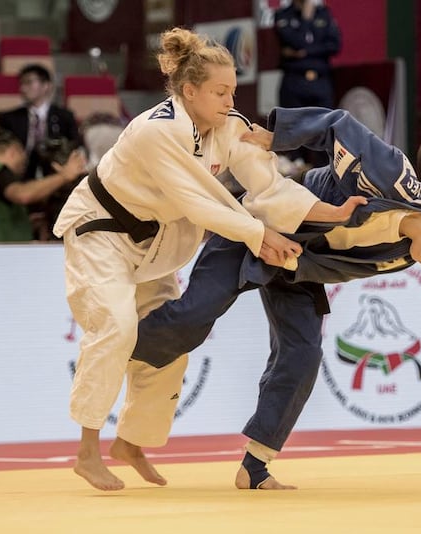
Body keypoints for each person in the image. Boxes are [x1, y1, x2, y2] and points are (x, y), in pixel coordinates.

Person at [129, 107, 421, 490]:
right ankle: (117, 347)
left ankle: (255, 467)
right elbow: (338, 125)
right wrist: (277, 137)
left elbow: (339, 270)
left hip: (299, 263)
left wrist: (293, 266)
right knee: (193, 317)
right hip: (268, 220)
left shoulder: (403, 254)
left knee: (303, 353)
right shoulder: (392, 177)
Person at [52, 28, 366, 492]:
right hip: (101, 232)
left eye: (233, 91)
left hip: (155, 245)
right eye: (220, 92)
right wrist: (259, 236)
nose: (229, 100)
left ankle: (131, 444)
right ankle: (86, 452)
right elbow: (200, 203)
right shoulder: (157, 129)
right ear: (189, 90)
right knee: (116, 326)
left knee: (172, 340)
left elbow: (270, 187)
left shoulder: (230, 127)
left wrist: (331, 212)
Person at [0, 63, 80, 237]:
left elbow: (75, 147)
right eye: (21, 84)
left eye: (29, 82)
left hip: (57, 174)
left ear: (46, 85)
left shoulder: (64, 116)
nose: (23, 88)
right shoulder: (9, 119)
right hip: (21, 176)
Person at [0, 128, 86, 242]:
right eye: (23, 154)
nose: (24, 162)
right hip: (1, 255)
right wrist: (64, 175)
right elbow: (23, 195)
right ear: (13, 151)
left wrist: (24, 223)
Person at [274, 0, 340, 167]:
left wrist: (303, 52)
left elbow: (335, 45)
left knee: (325, 134)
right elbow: (297, 41)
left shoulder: (323, 13)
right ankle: (299, 176)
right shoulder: (283, 15)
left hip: (320, 82)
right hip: (294, 81)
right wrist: (306, 19)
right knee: (295, 138)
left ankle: (326, 177)